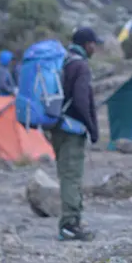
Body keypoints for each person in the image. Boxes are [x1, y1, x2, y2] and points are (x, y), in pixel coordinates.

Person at [50, 27, 103, 242]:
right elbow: (81, 100)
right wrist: (92, 128)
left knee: (65, 175)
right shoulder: (80, 66)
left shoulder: (64, 61)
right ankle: (70, 225)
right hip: (72, 130)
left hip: (57, 127)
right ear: (87, 44)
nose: (95, 48)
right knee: (72, 177)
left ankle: (71, 222)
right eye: (94, 44)